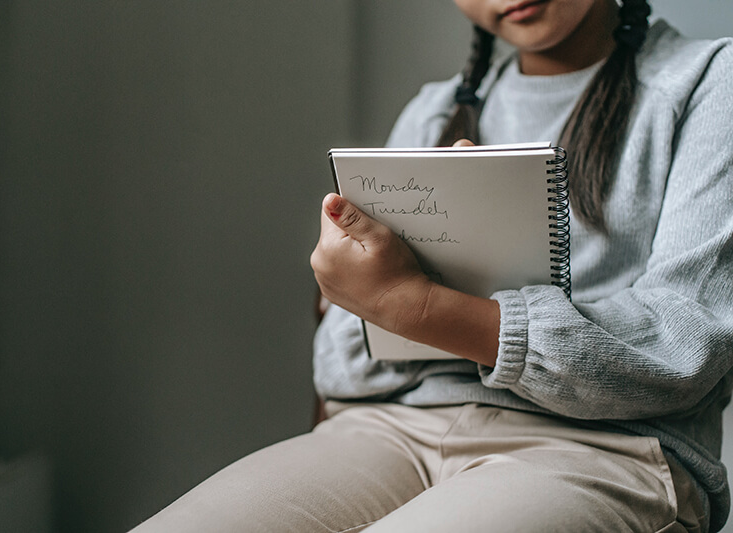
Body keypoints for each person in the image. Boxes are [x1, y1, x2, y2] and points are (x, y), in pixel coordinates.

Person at [132, 0, 733, 531]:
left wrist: (412, 306)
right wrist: (368, 299)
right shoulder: (433, 112)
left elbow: (685, 345)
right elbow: (347, 366)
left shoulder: (707, 83)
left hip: (604, 450)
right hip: (391, 430)